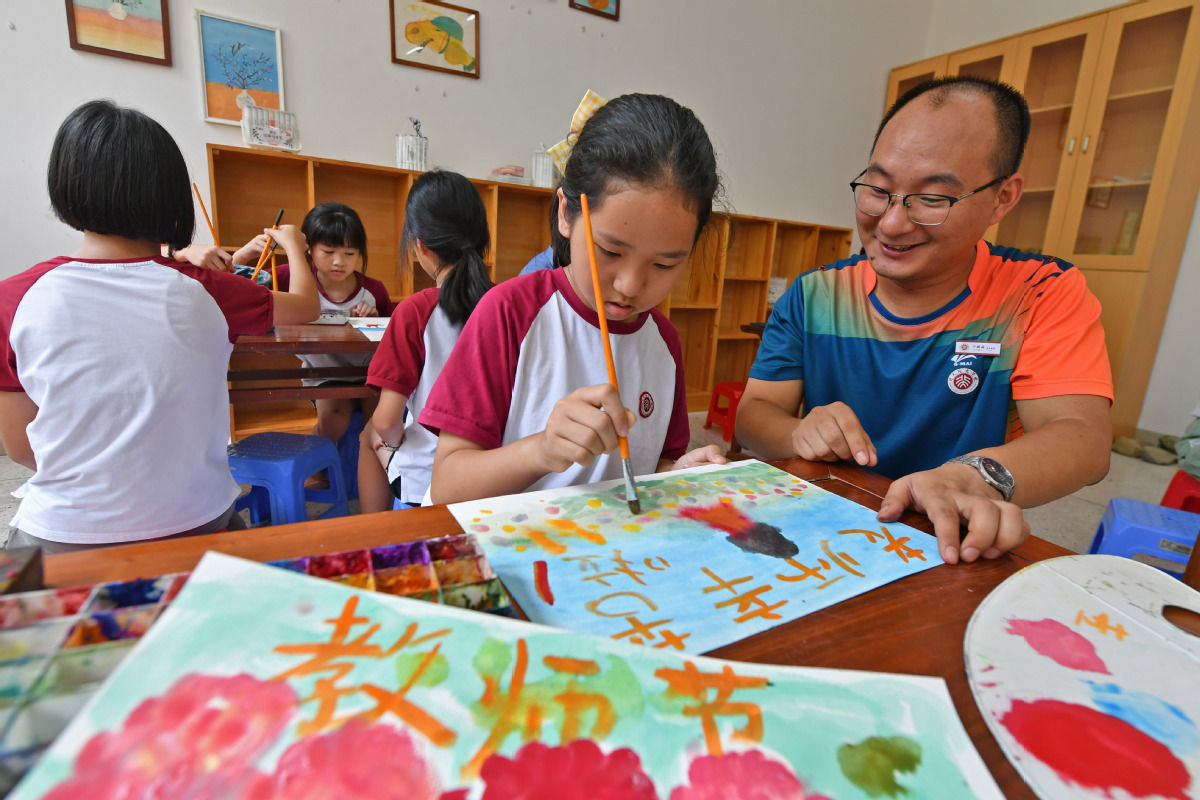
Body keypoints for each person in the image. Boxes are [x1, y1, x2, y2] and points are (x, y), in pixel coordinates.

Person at [736, 76, 1113, 565]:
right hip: (820, 528)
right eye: (878, 188)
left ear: (1003, 198)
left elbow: (1083, 438)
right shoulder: (815, 294)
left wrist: (971, 476)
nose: (891, 223)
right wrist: (796, 433)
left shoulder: (1039, 292)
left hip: (952, 542)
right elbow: (755, 414)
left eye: (933, 199)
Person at [0, 100, 320, 552]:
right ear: (171, 198)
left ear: (65, 186)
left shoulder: (12, 299)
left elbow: (21, 450)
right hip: (199, 521)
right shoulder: (208, 289)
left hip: (64, 534)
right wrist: (293, 244)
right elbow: (306, 305)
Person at [421, 93, 727, 504]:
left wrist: (679, 475)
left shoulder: (664, 343)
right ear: (566, 214)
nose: (631, 285)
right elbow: (446, 487)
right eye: (611, 251)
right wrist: (541, 449)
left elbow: (653, 465)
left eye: (664, 265)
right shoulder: (510, 313)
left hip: (608, 558)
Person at [358, 170, 493, 512]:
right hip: (496, 475)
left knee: (368, 435)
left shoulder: (416, 311)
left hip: (429, 485)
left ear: (420, 247)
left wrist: (395, 443)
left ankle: (378, 535)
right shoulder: (508, 305)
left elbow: (387, 421)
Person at [233, 202, 393, 445]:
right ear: (308, 250)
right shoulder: (292, 277)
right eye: (329, 252)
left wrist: (375, 320)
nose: (339, 262)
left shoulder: (374, 291)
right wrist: (242, 256)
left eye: (350, 254)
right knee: (334, 419)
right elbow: (238, 289)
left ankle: (375, 474)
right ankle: (318, 473)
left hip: (368, 373)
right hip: (324, 374)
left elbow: (391, 335)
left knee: (380, 420)